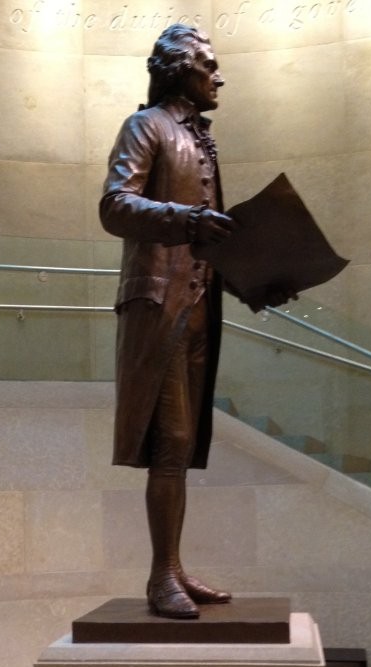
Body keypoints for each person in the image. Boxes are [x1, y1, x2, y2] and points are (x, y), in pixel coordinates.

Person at [99, 24, 235, 619]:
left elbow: (213, 235)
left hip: (200, 303)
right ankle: (161, 577)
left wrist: (262, 277)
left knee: (182, 445)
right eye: (208, 64)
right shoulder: (146, 126)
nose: (218, 75)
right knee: (170, 441)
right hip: (160, 304)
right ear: (180, 70)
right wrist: (185, 220)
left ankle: (174, 567)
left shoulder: (201, 141)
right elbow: (115, 205)